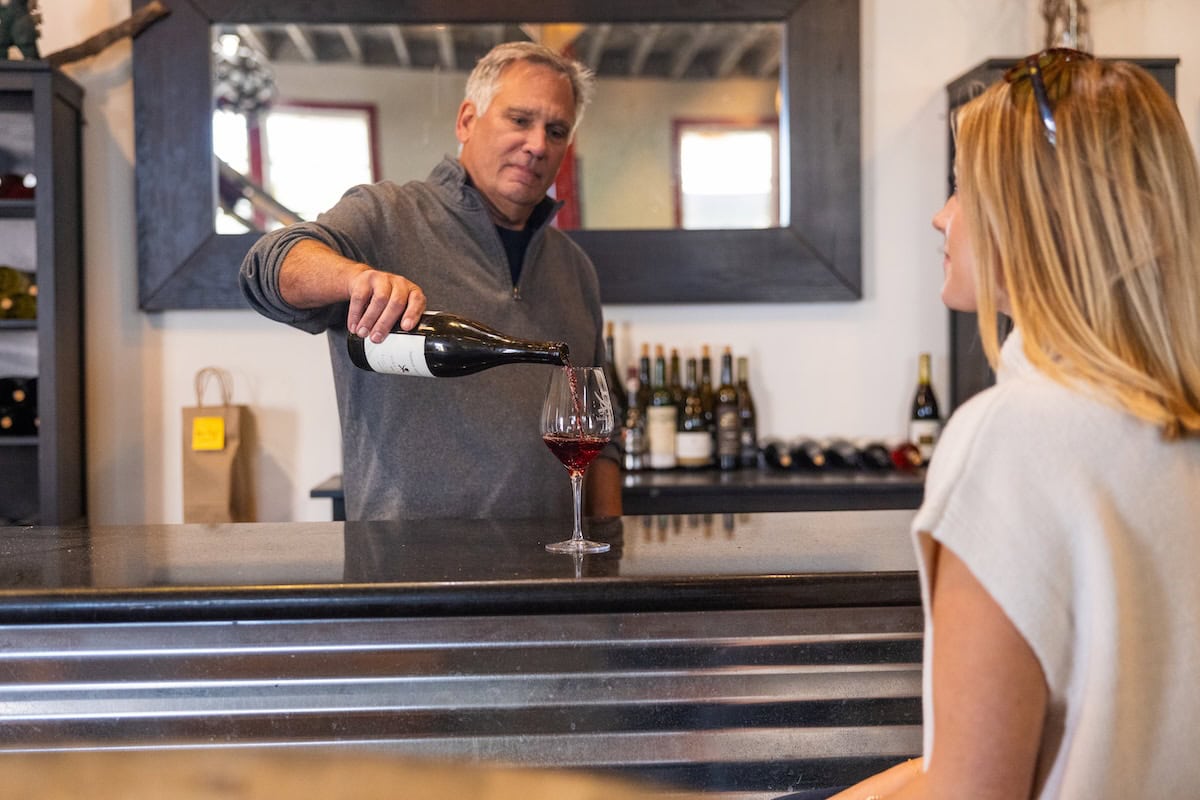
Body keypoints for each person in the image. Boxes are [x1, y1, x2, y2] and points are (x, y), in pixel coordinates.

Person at [829, 50, 1200, 799]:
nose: (942, 215)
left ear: (1034, 216)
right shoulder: (1173, 422)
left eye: (963, 187)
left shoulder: (1012, 438)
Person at [239, 41, 622, 521]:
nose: (537, 144)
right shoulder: (385, 217)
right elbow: (267, 266)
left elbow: (603, 440)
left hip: (551, 571)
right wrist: (355, 277)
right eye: (520, 120)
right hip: (406, 572)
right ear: (466, 120)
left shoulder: (574, 268)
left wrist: (610, 563)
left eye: (557, 130)